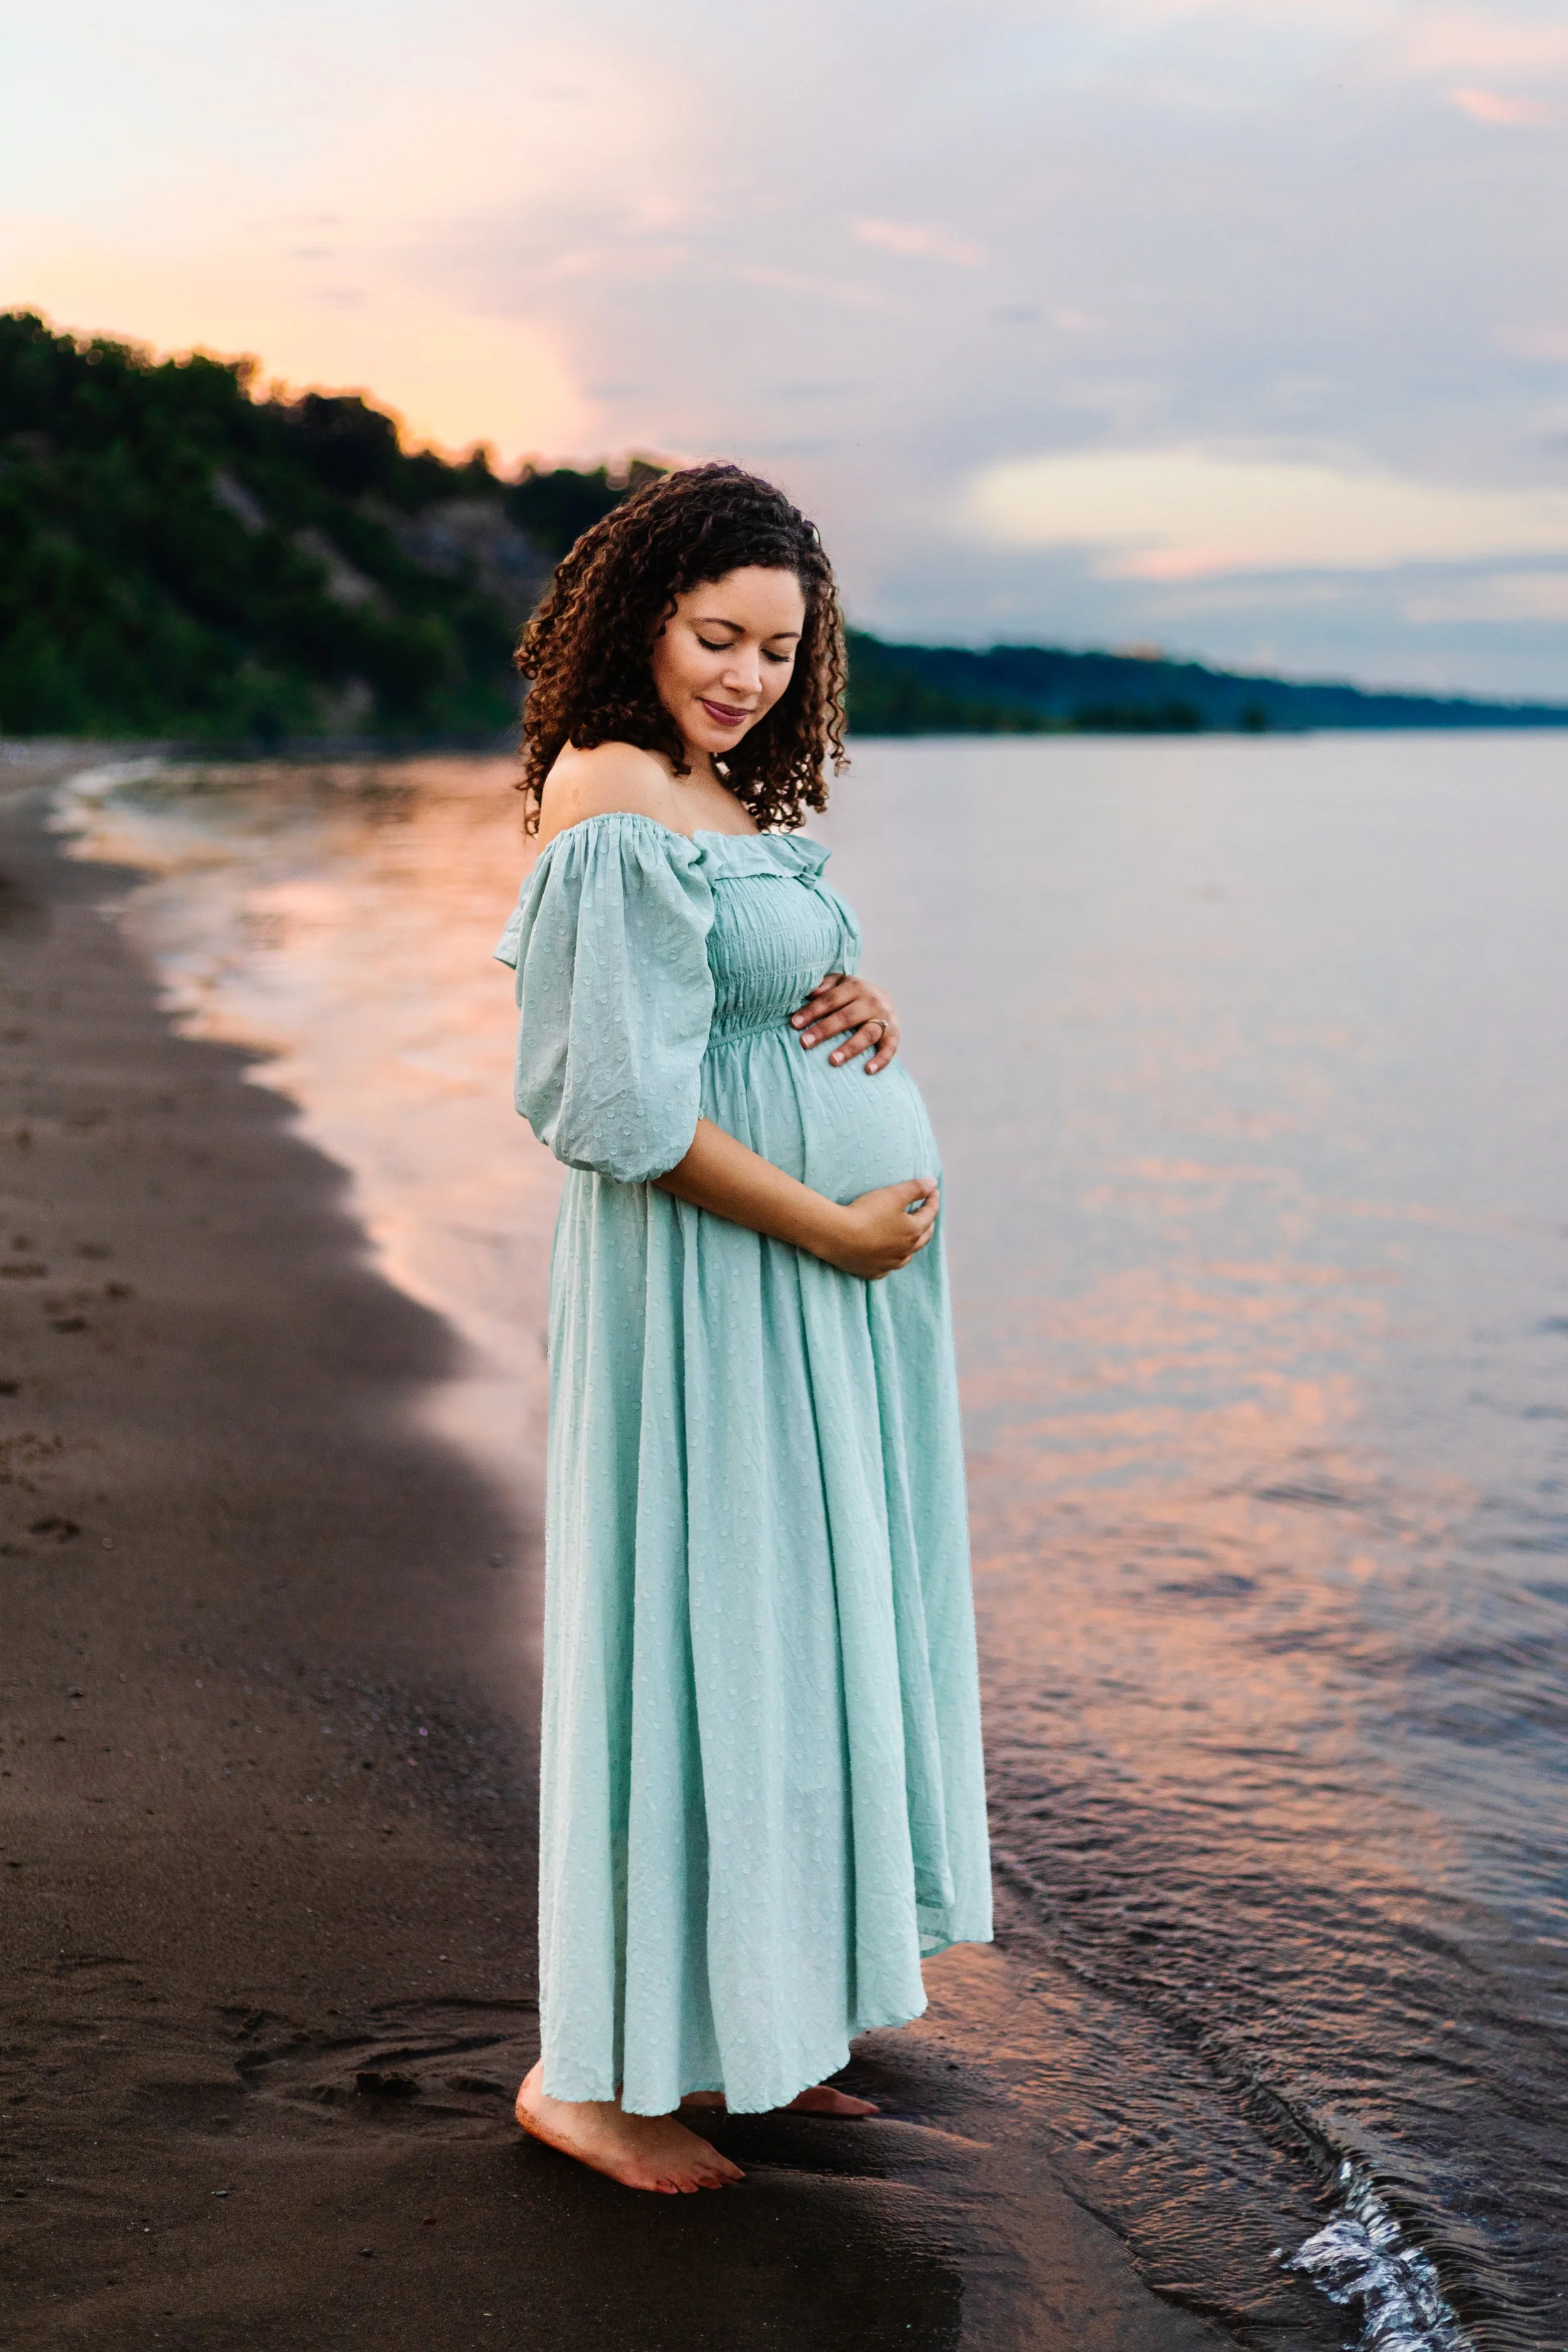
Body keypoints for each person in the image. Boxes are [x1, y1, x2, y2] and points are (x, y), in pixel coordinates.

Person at [495, 463, 991, 2195]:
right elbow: (609, 1104)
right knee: (699, 1634)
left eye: (782, 649)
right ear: (641, 615)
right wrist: (832, 1223)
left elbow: (730, 1008)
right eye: (721, 635)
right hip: (713, 1293)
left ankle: (746, 2040)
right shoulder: (614, 786)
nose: (749, 676)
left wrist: (847, 995)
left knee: (781, 1650)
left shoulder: (708, 793)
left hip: (802, 1297)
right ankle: (594, 2074)